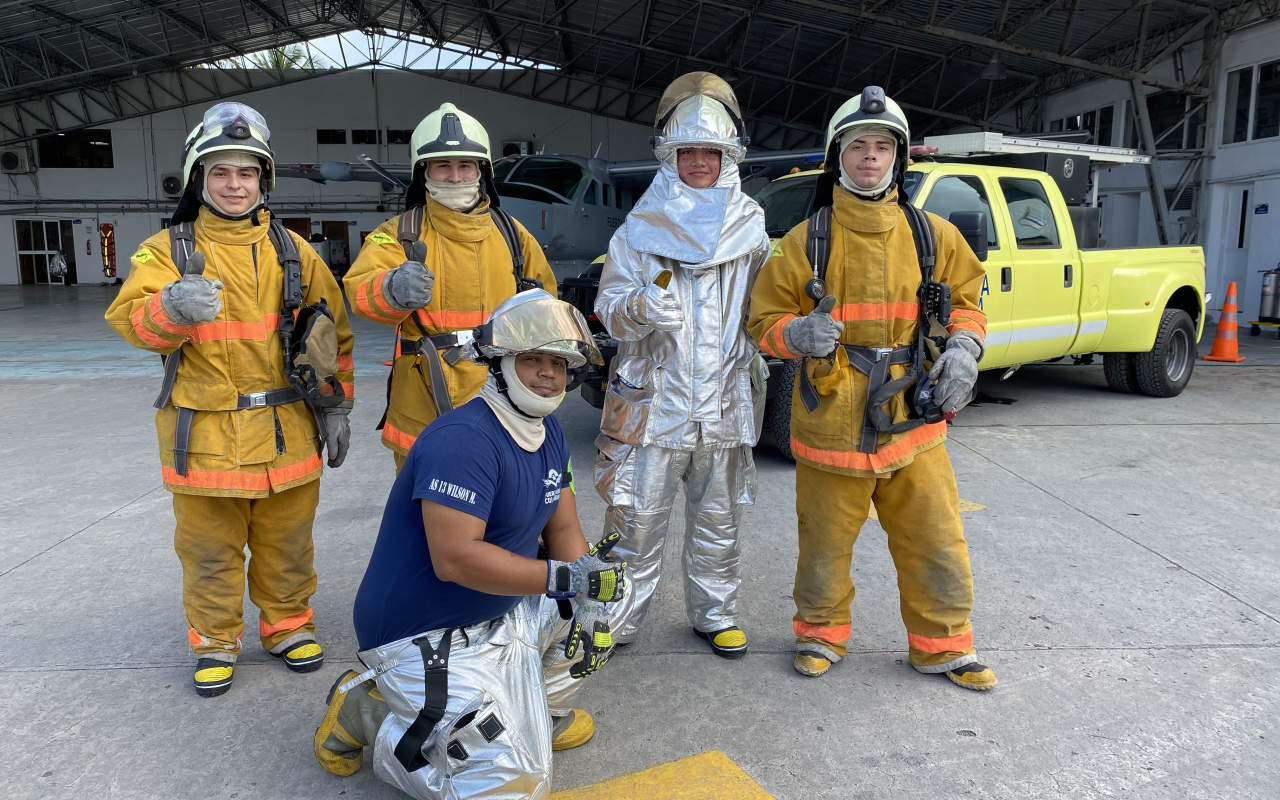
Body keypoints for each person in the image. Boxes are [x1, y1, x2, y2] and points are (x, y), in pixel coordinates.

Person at [314, 290, 626, 798]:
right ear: (499, 362)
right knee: (514, 788)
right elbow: (456, 560)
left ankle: (535, 711)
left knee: (611, 592)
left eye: (559, 362)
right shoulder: (463, 440)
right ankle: (369, 714)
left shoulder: (547, 433)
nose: (548, 373)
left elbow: (564, 532)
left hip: (498, 608)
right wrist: (565, 579)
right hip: (424, 633)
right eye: (531, 359)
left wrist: (587, 595)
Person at [747, 86, 995, 690]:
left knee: (935, 538)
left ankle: (942, 647)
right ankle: (820, 635)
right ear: (838, 155)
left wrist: (964, 348)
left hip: (914, 417)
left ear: (898, 158)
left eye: (882, 146)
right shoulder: (806, 240)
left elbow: (967, 301)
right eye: (858, 145)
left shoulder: (934, 235)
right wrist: (796, 333)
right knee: (825, 546)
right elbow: (761, 324)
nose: (870, 157)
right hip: (833, 414)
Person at [105, 102, 355, 697]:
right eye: (220, 172)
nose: (234, 184)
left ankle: (288, 626)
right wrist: (168, 308)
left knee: (288, 544)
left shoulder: (295, 251)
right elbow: (130, 323)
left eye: (246, 172)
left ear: (262, 180)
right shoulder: (164, 250)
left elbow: (333, 334)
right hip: (204, 438)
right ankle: (216, 641)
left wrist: (338, 405)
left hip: (288, 432)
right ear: (200, 179)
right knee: (209, 551)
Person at [593, 73, 771, 658]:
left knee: (719, 521)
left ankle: (716, 613)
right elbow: (609, 314)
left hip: (722, 401)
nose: (700, 162)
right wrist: (639, 307)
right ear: (670, 158)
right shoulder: (637, 233)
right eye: (688, 151)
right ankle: (614, 617)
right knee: (634, 520)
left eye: (710, 152)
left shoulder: (752, 230)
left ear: (729, 157)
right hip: (654, 405)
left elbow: (767, 311)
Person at [344, 102, 557, 471]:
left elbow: (547, 307)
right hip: (423, 396)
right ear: (423, 172)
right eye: (443, 165)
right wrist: (390, 288)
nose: (455, 177)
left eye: (465, 165)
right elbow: (360, 294)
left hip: (503, 391)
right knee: (424, 515)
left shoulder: (512, 235)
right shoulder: (395, 234)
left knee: (501, 509)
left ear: (481, 171)